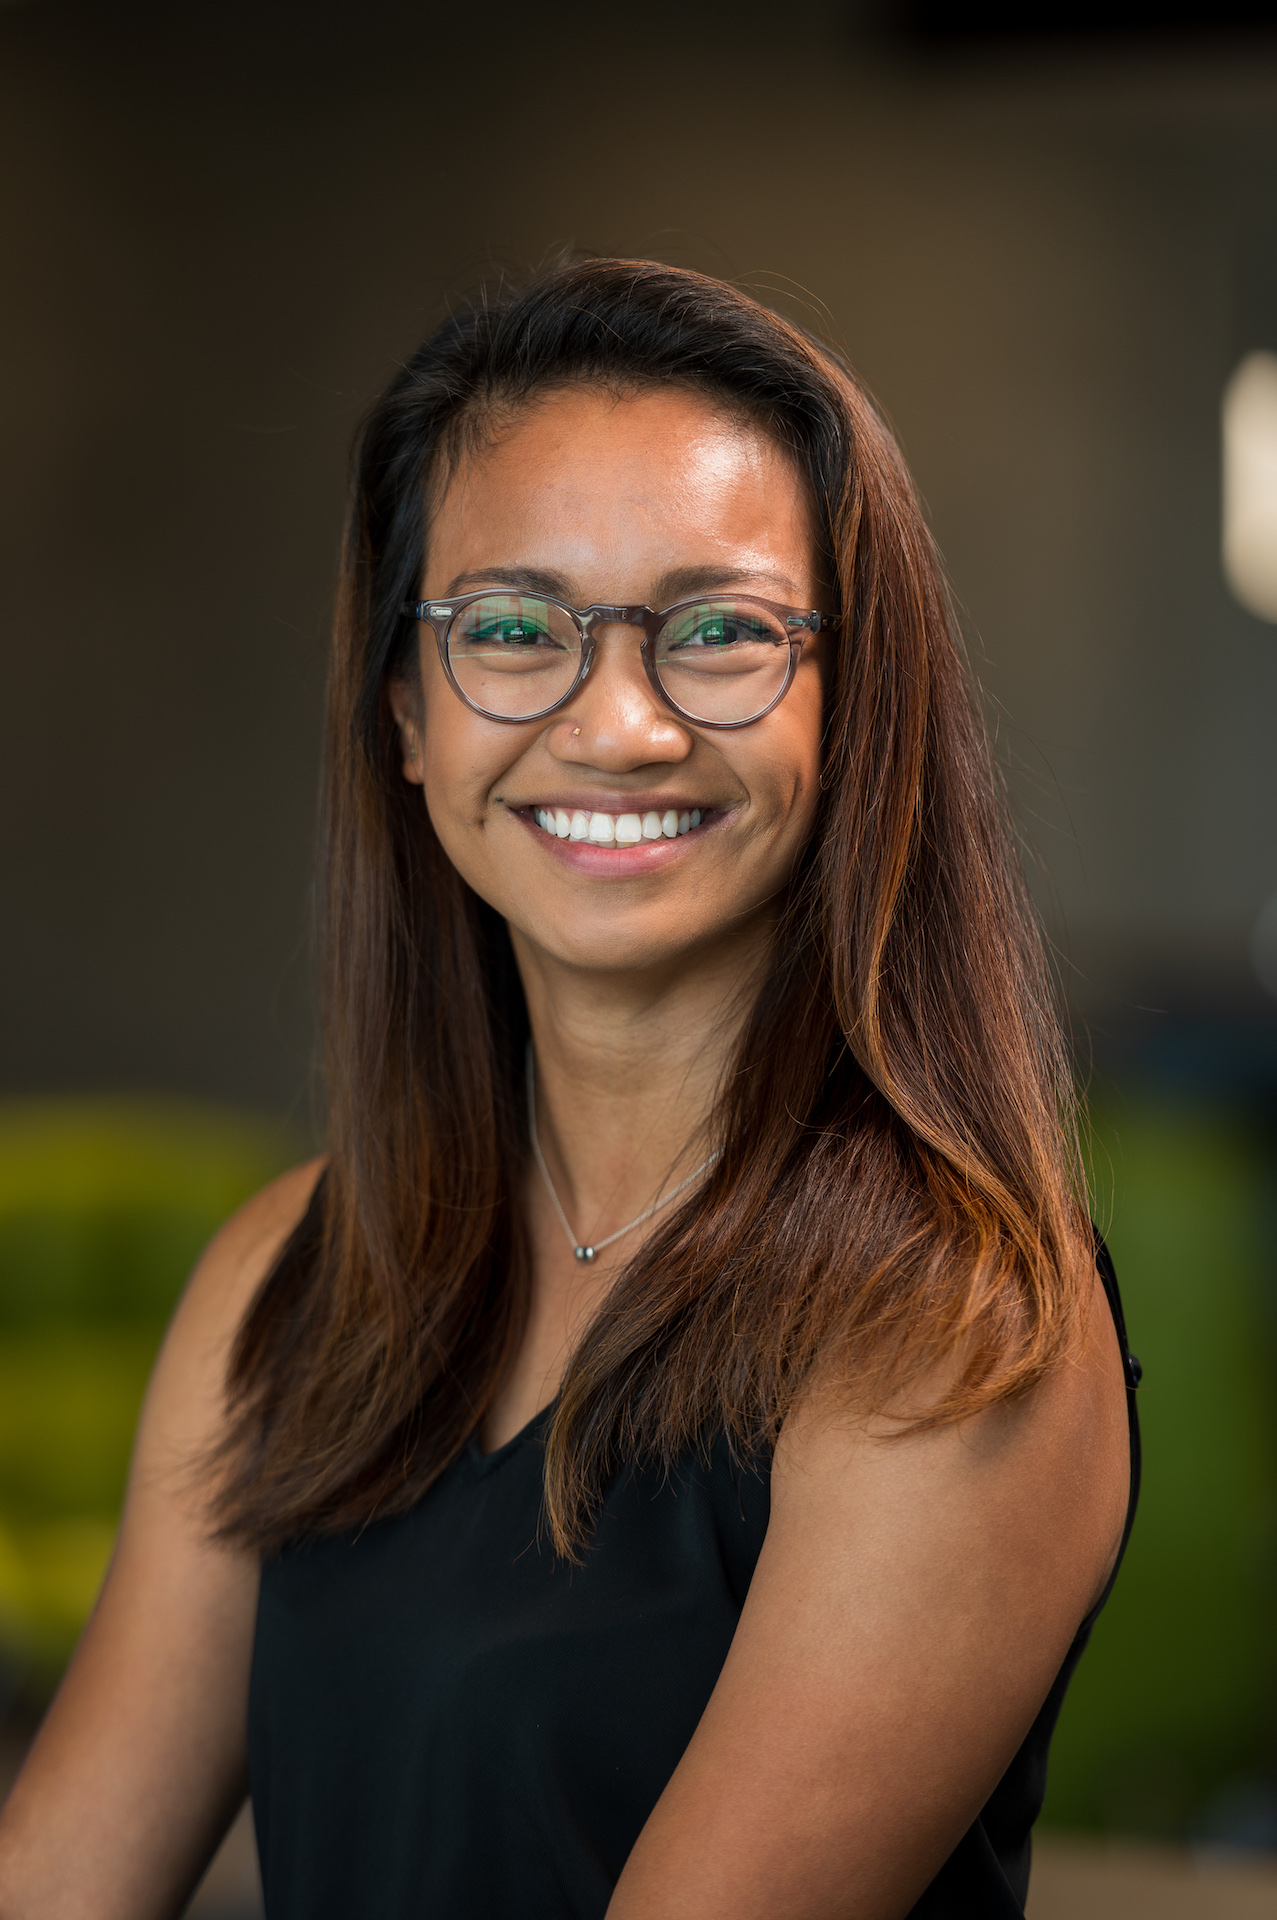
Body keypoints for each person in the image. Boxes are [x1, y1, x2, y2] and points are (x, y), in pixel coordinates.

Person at [0, 257, 1140, 1920]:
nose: (619, 726)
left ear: (851, 703)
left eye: (722, 631)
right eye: (514, 629)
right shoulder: (283, 1280)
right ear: (406, 711)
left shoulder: (951, 1339)